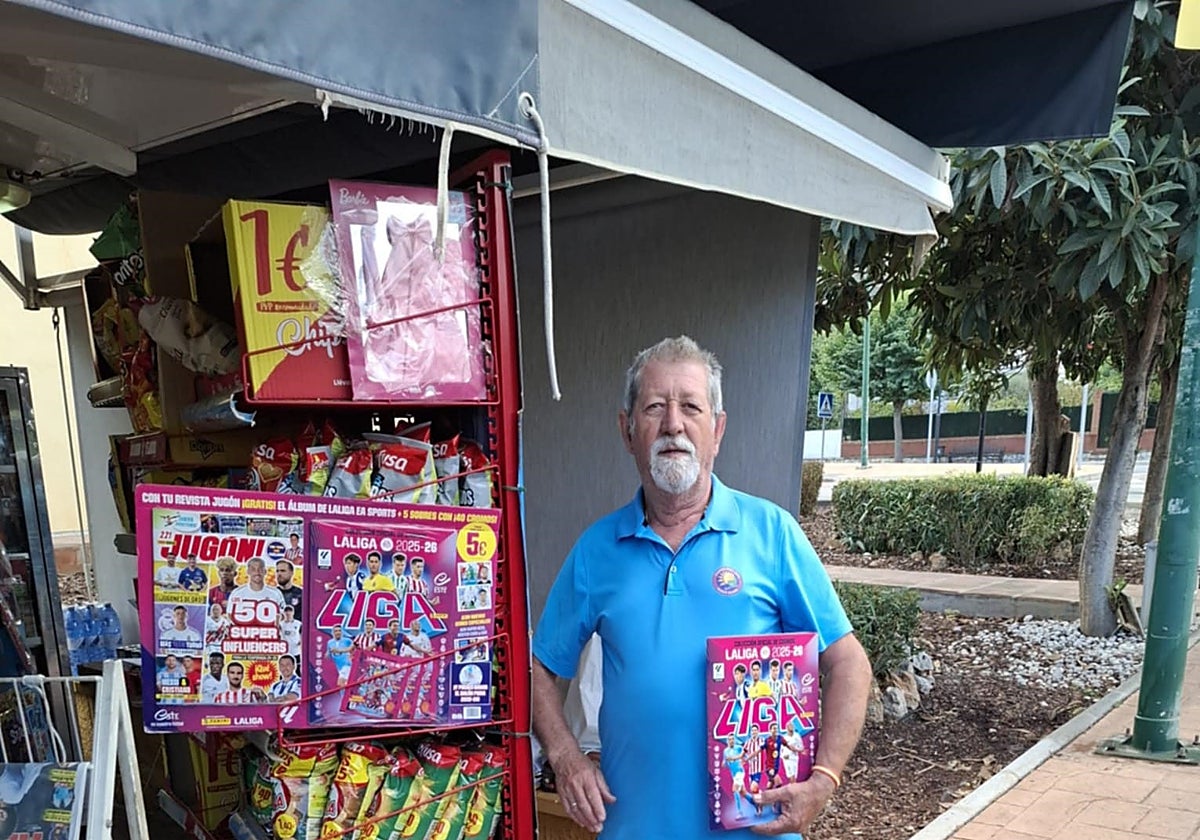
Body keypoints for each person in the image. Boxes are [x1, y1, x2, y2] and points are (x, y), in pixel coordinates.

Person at [531, 336, 871, 839]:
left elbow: (848, 663)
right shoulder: (596, 550)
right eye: (654, 407)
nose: (673, 423)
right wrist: (565, 756)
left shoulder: (772, 534)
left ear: (718, 429)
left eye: (691, 406)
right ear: (627, 431)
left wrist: (824, 779)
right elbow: (539, 667)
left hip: (757, 831)